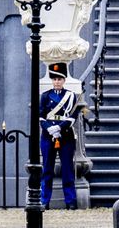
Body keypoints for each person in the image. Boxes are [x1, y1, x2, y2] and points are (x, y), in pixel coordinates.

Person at [39, 62, 80, 210]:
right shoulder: (45, 96)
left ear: (64, 80)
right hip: (48, 136)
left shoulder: (71, 96)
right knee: (47, 169)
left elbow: (73, 117)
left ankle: (70, 201)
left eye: (59, 79)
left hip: (66, 136)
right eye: (54, 79)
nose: (57, 82)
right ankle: (44, 200)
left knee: (67, 169)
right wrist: (50, 129)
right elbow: (40, 117)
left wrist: (59, 128)